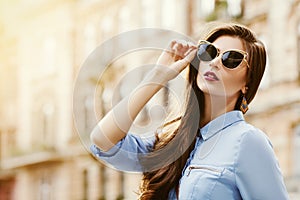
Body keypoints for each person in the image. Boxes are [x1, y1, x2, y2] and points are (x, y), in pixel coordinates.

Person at [90, 22, 289, 200]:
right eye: (209, 52)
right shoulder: (172, 141)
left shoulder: (248, 141)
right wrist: (158, 75)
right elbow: (103, 141)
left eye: (231, 59)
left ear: (247, 83)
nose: (215, 62)